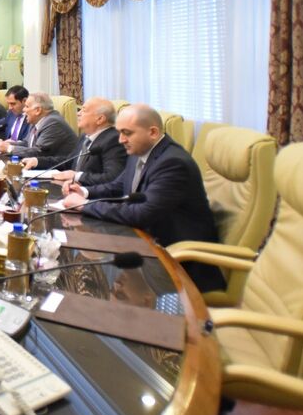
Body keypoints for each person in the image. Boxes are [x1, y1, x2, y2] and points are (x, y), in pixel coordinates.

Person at [60, 104, 225, 292]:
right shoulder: (141, 150)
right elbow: (118, 187)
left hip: (177, 265)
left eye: (127, 133)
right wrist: (84, 192)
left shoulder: (173, 163)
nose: (121, 140)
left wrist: (85, 205)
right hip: (145, 246)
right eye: (119, 132)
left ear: (153, 132)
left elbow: (141, 213)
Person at [33, 97, 127, 185]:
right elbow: (68, 162)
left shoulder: (114, 140)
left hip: (92, 194)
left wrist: (77, 176)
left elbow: (112, 178)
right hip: (71, 188)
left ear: (100, 119)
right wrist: (37, 161)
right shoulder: (85, 136)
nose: (78, 113)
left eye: (84, 110)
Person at [0, 92, 79, 166]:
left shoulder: (53, 123)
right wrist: (7, 144)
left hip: (59, 170)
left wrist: (9, 148)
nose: (24, 110)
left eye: (27, 106)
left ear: (38, 110)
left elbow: (38, 152)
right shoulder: (37, 120)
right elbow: (27, 143)